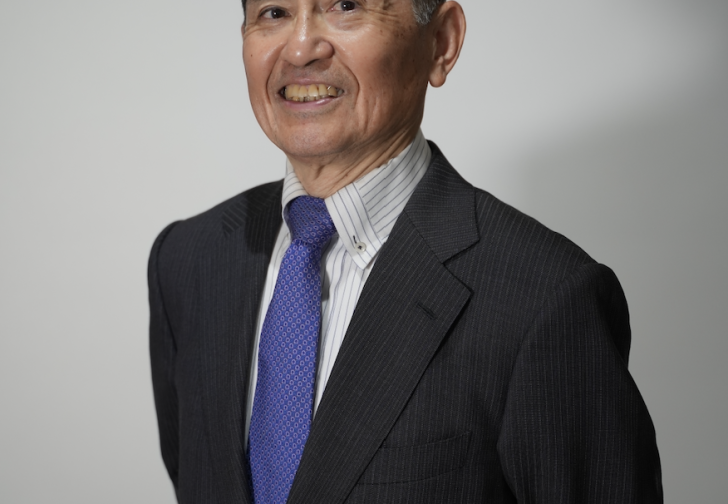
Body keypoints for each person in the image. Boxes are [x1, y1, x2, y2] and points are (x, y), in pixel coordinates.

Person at [149, 0, 663, 502]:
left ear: (441, 42)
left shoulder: (546, 299)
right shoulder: (188, 260)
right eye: (274, 13)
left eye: (346, 5)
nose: (300, 48)